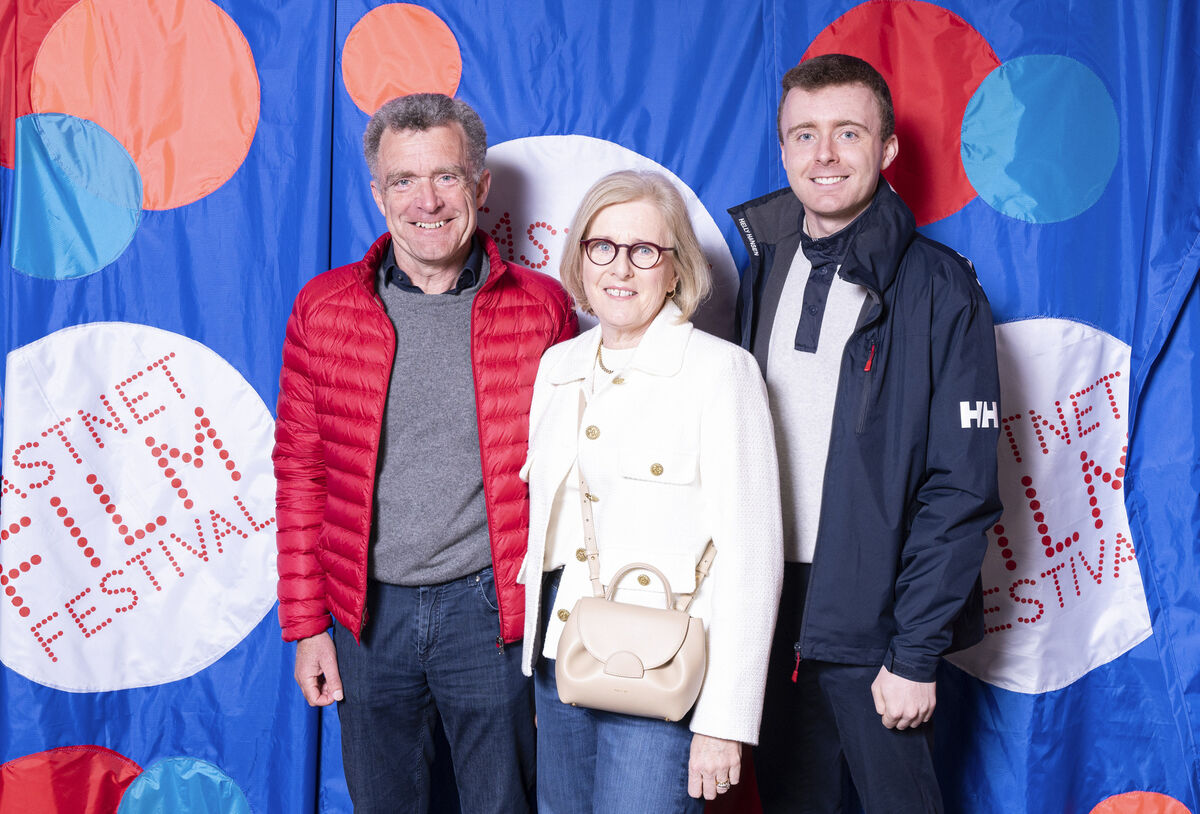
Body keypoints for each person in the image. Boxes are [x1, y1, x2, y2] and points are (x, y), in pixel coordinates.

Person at [272, 92, 577, 813]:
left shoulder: (541, 307)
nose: (427, 201)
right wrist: (308, 626)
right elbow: (301, 474)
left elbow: (573, 476)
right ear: (378, 195)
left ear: (480, 185)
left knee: (503, 804)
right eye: (403, 181)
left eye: (446, 176)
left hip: (493, 611)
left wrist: (554, 627)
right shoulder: (324, 308)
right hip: (367, 615)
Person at [727, 54, 1002, 813]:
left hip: (880, 619)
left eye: (848, 133)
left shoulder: (942, 287)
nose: (824, 155)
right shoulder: (763, 266)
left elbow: (962, 488)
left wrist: (914, 651)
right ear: (783, 149)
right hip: (773, 609)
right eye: (804, 135)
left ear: (887, 149)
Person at [519, 169, 784, 812]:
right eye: (602, 246)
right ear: (580, 258)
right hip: (562, 660)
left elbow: (753, 559)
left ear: (675, 269)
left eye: (644, 250)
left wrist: (725, 720)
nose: (620, 268)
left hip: (664, 672)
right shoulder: (558, 366)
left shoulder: (721, 371)